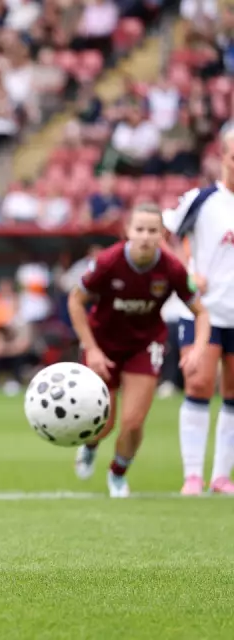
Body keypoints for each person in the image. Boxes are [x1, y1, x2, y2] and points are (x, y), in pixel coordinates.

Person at [68, 203, 209, 498]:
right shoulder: (108, 262)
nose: (145, 236)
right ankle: (91, 445)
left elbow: (201, 312)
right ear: (127, 232)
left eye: (152, 230)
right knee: (103, 423)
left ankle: (117, 473)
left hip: (144, 346)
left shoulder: (171, 268)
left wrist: (198, 348)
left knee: (133, 421)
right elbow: (75, 301)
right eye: (140, 229)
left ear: (162, 234)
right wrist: (91, 349)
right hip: (103, 346)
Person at [163, 125, 234, 494]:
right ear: (223, 157)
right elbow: (165, 233)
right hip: (204, 311)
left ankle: (222, 477)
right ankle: (193, 474)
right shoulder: (203, 199)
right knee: (199, 383)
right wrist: (187, 272)